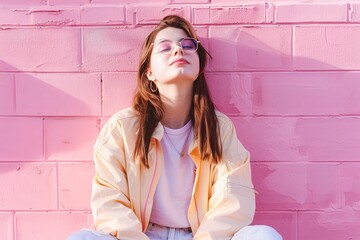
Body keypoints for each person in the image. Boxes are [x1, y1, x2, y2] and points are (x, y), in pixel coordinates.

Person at [68, 15, 283, 240]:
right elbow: (109, 202)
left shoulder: (219, 129)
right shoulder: (122, 128)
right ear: (149, 72)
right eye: (165, 47)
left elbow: (234, 201)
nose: (178, 51)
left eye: (187, 45)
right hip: (142, 235)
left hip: (201, 236)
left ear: (199, 66)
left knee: (264, 236)